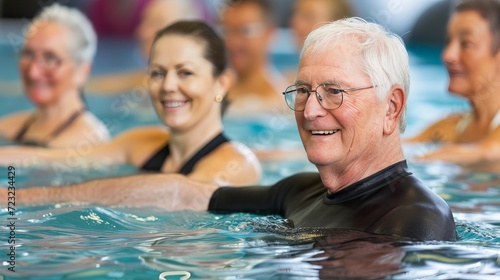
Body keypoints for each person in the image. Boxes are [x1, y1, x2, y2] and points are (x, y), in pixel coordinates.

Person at [3, 18, 456, 241]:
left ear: (391, 107)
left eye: (334, 92)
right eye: (302, 90)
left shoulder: (413, 223)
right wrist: (19, 201)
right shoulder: (299, 192)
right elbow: (182, 195)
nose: (312, 111)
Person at [0, 20, 261, 186]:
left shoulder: (237, 163)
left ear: (222, 82)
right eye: (158, 73)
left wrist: (22, 198)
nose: (168, 86)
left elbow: (175, 195)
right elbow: (52, 159)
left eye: (185, 73)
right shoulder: (140, 143)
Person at [0, 4, 110, 148]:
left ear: (82, 70)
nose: (33, 72)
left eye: (50, 58)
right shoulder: (7, 128)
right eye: (29, 54)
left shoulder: (91, 140)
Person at [405, 0, 500, 164]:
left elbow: (487, 152)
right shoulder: (452, 127)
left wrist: (425, 157)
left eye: (466, 44)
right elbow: (398, 148)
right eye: (449, 41)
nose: (448, 55)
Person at [85, 0, 199, 93]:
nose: (142, 32)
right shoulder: (147, 81)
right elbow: (98, 87)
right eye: (144, 21)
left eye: (156, 23)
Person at [219, 0, 289, 116]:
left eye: (245, 31)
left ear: (269, 33)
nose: (232, 42)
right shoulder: (214, 88)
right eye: (227, 31)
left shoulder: (280, 104)